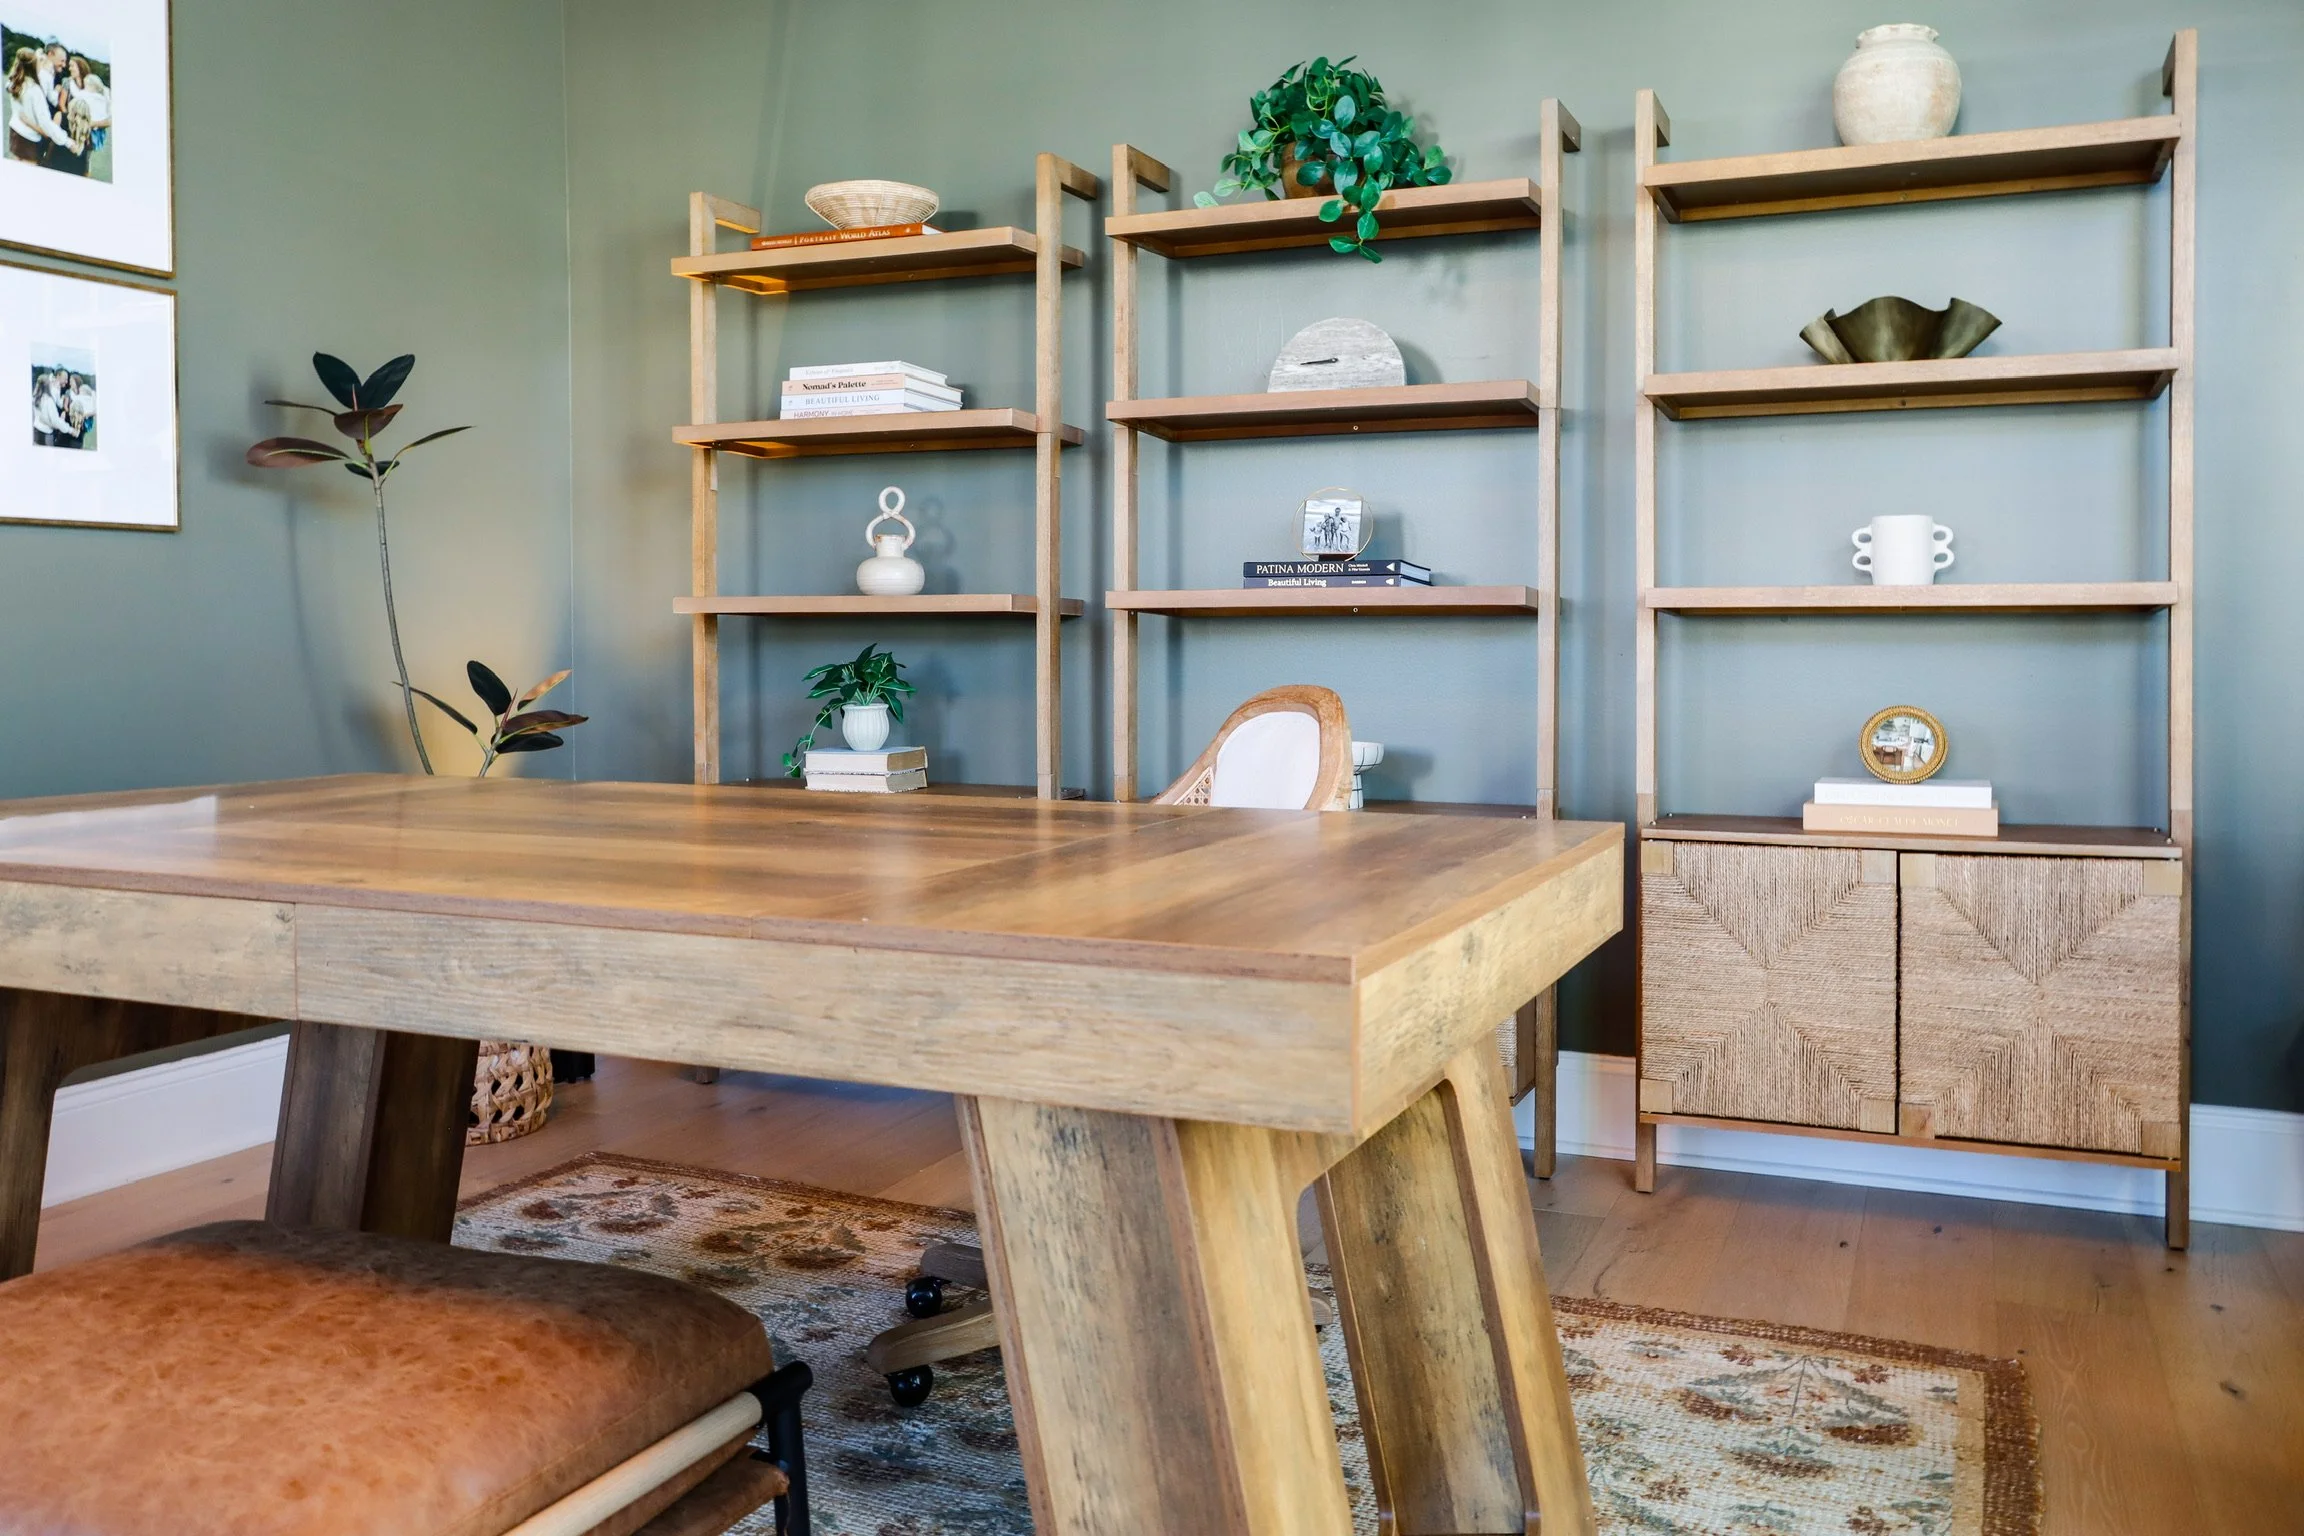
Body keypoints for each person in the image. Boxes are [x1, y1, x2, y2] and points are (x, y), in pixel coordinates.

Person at [6, 47, 74, 168]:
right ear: (34, 65)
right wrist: (67, 142)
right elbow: (45, 123)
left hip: (15, 131)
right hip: (29, 139)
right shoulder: (35, 90)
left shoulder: (14, 82)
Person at [66, 57, 107, 153]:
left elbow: (107, 117)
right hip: (74, 125)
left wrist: (90, 123)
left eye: (72, 66)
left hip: (89, 126)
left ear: (80, 67)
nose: (69, 68)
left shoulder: (90, 85)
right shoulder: (69, 83)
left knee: (83, 151)